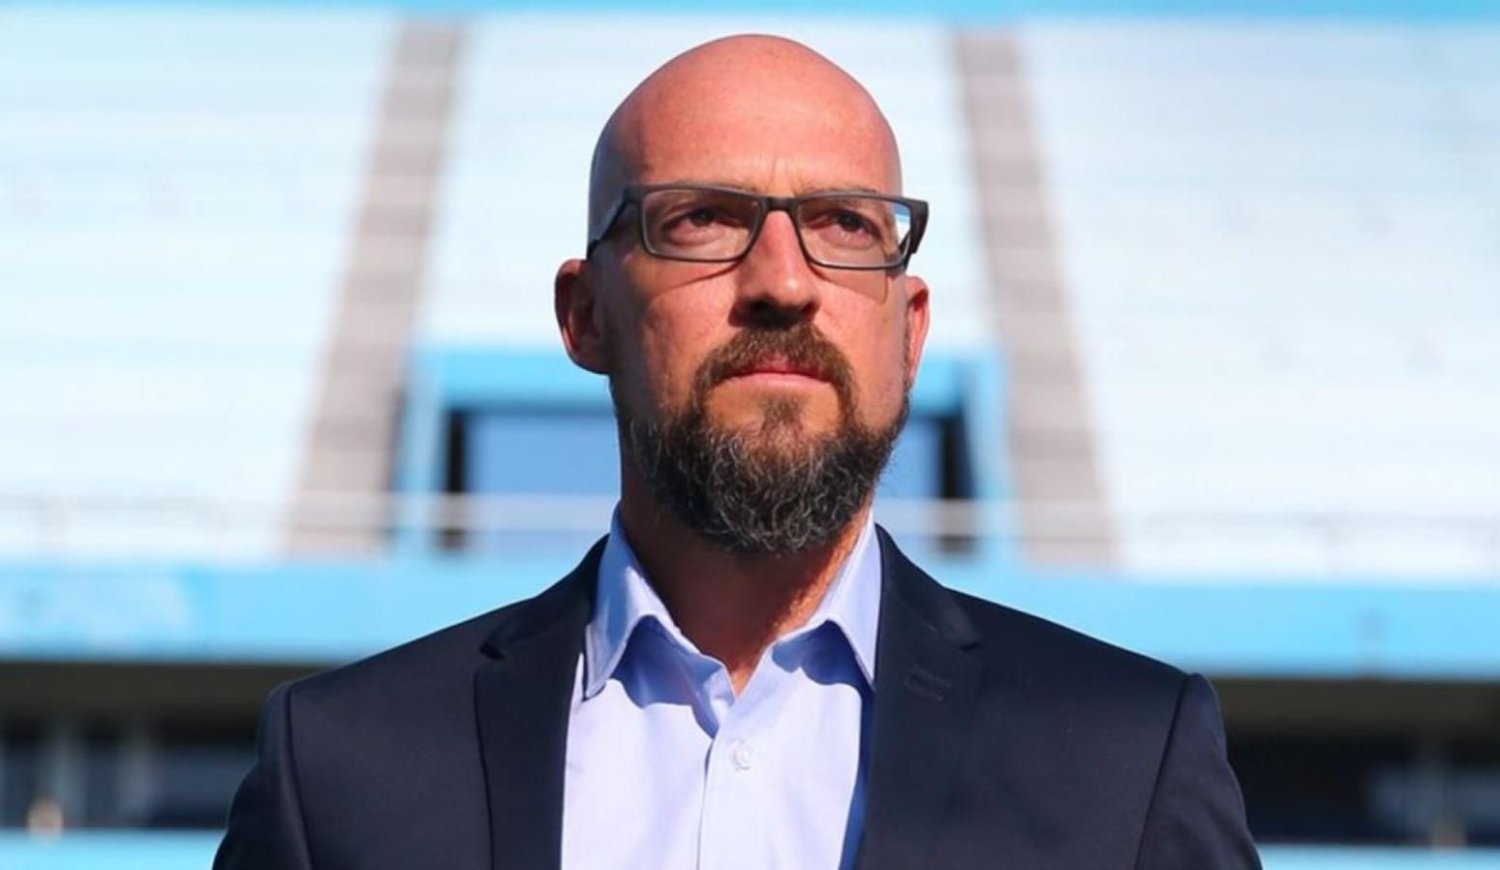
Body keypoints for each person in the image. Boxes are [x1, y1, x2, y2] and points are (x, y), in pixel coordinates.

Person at [215, 34, 1260, 870]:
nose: (783, 283)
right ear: (585, 315)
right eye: (704, 220)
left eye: (845, 225)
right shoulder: (340, 771)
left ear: (909, 332)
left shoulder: (1127, 762)